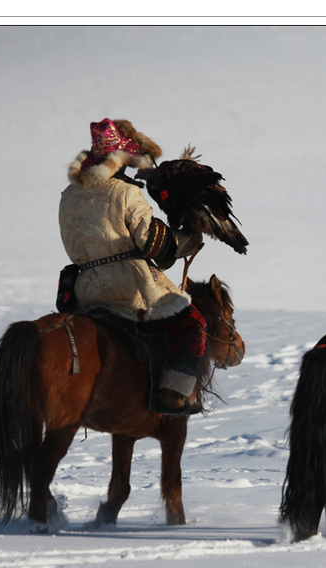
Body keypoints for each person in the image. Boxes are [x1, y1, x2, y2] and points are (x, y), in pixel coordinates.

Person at [58, 118, 205, 415]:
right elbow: (152, 243)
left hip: (85, 290)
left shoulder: (69, 195)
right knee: (194, 325)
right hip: (130, 288)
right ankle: (173, 395)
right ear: (120, 161)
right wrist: (188, 238)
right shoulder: (125, 192)